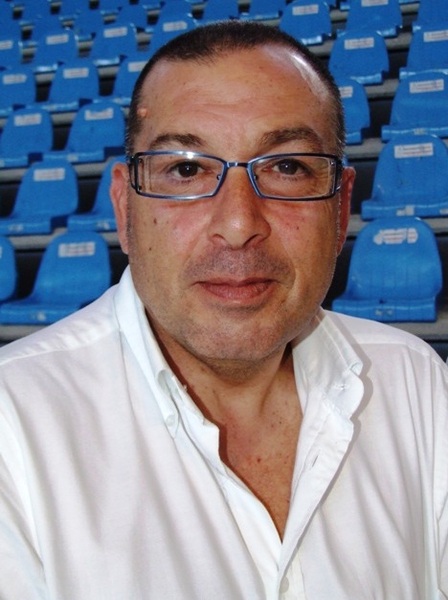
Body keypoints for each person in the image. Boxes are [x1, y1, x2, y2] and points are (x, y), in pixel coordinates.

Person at [0, 20, 447, 600]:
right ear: (124, 210)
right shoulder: (14, 427)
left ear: (340, 212)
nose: (238, 225)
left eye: (287, 167)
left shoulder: (415, 384)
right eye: (186, 169)